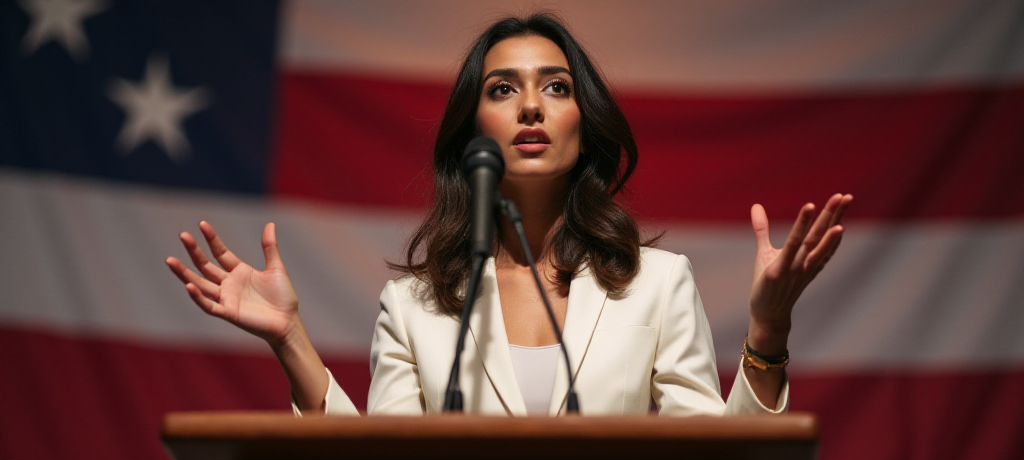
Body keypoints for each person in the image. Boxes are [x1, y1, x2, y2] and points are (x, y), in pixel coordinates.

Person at [165, 13, 851, 417]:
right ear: (473, 132)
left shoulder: (659, 284)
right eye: (503, 88)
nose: (532, 106)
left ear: (585, 124)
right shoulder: (412, 306)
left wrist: (768, 331)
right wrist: (291, 339)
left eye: (556, 87)